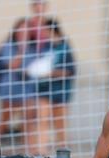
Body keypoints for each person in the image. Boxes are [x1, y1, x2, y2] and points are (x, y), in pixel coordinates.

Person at [0, 18, 39, 153]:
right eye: (21, 30)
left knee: (29, 119)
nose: (23, 33)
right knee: (4, 121)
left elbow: (35, 67)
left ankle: (28, 149)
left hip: (26, 89)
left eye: (26, 30)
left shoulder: (33, 48)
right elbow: (12, 65)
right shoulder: (7, 46)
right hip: (10, 89)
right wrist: (21, 50)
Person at [36, 18, 76, 150]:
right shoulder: (44, 47)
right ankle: (41, 151)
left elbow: (70, 71)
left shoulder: (65, 47)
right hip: (44, 90)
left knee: (60, 124)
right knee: (42, 120)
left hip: (60, 91)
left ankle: (62, 150)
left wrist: (52, 73)